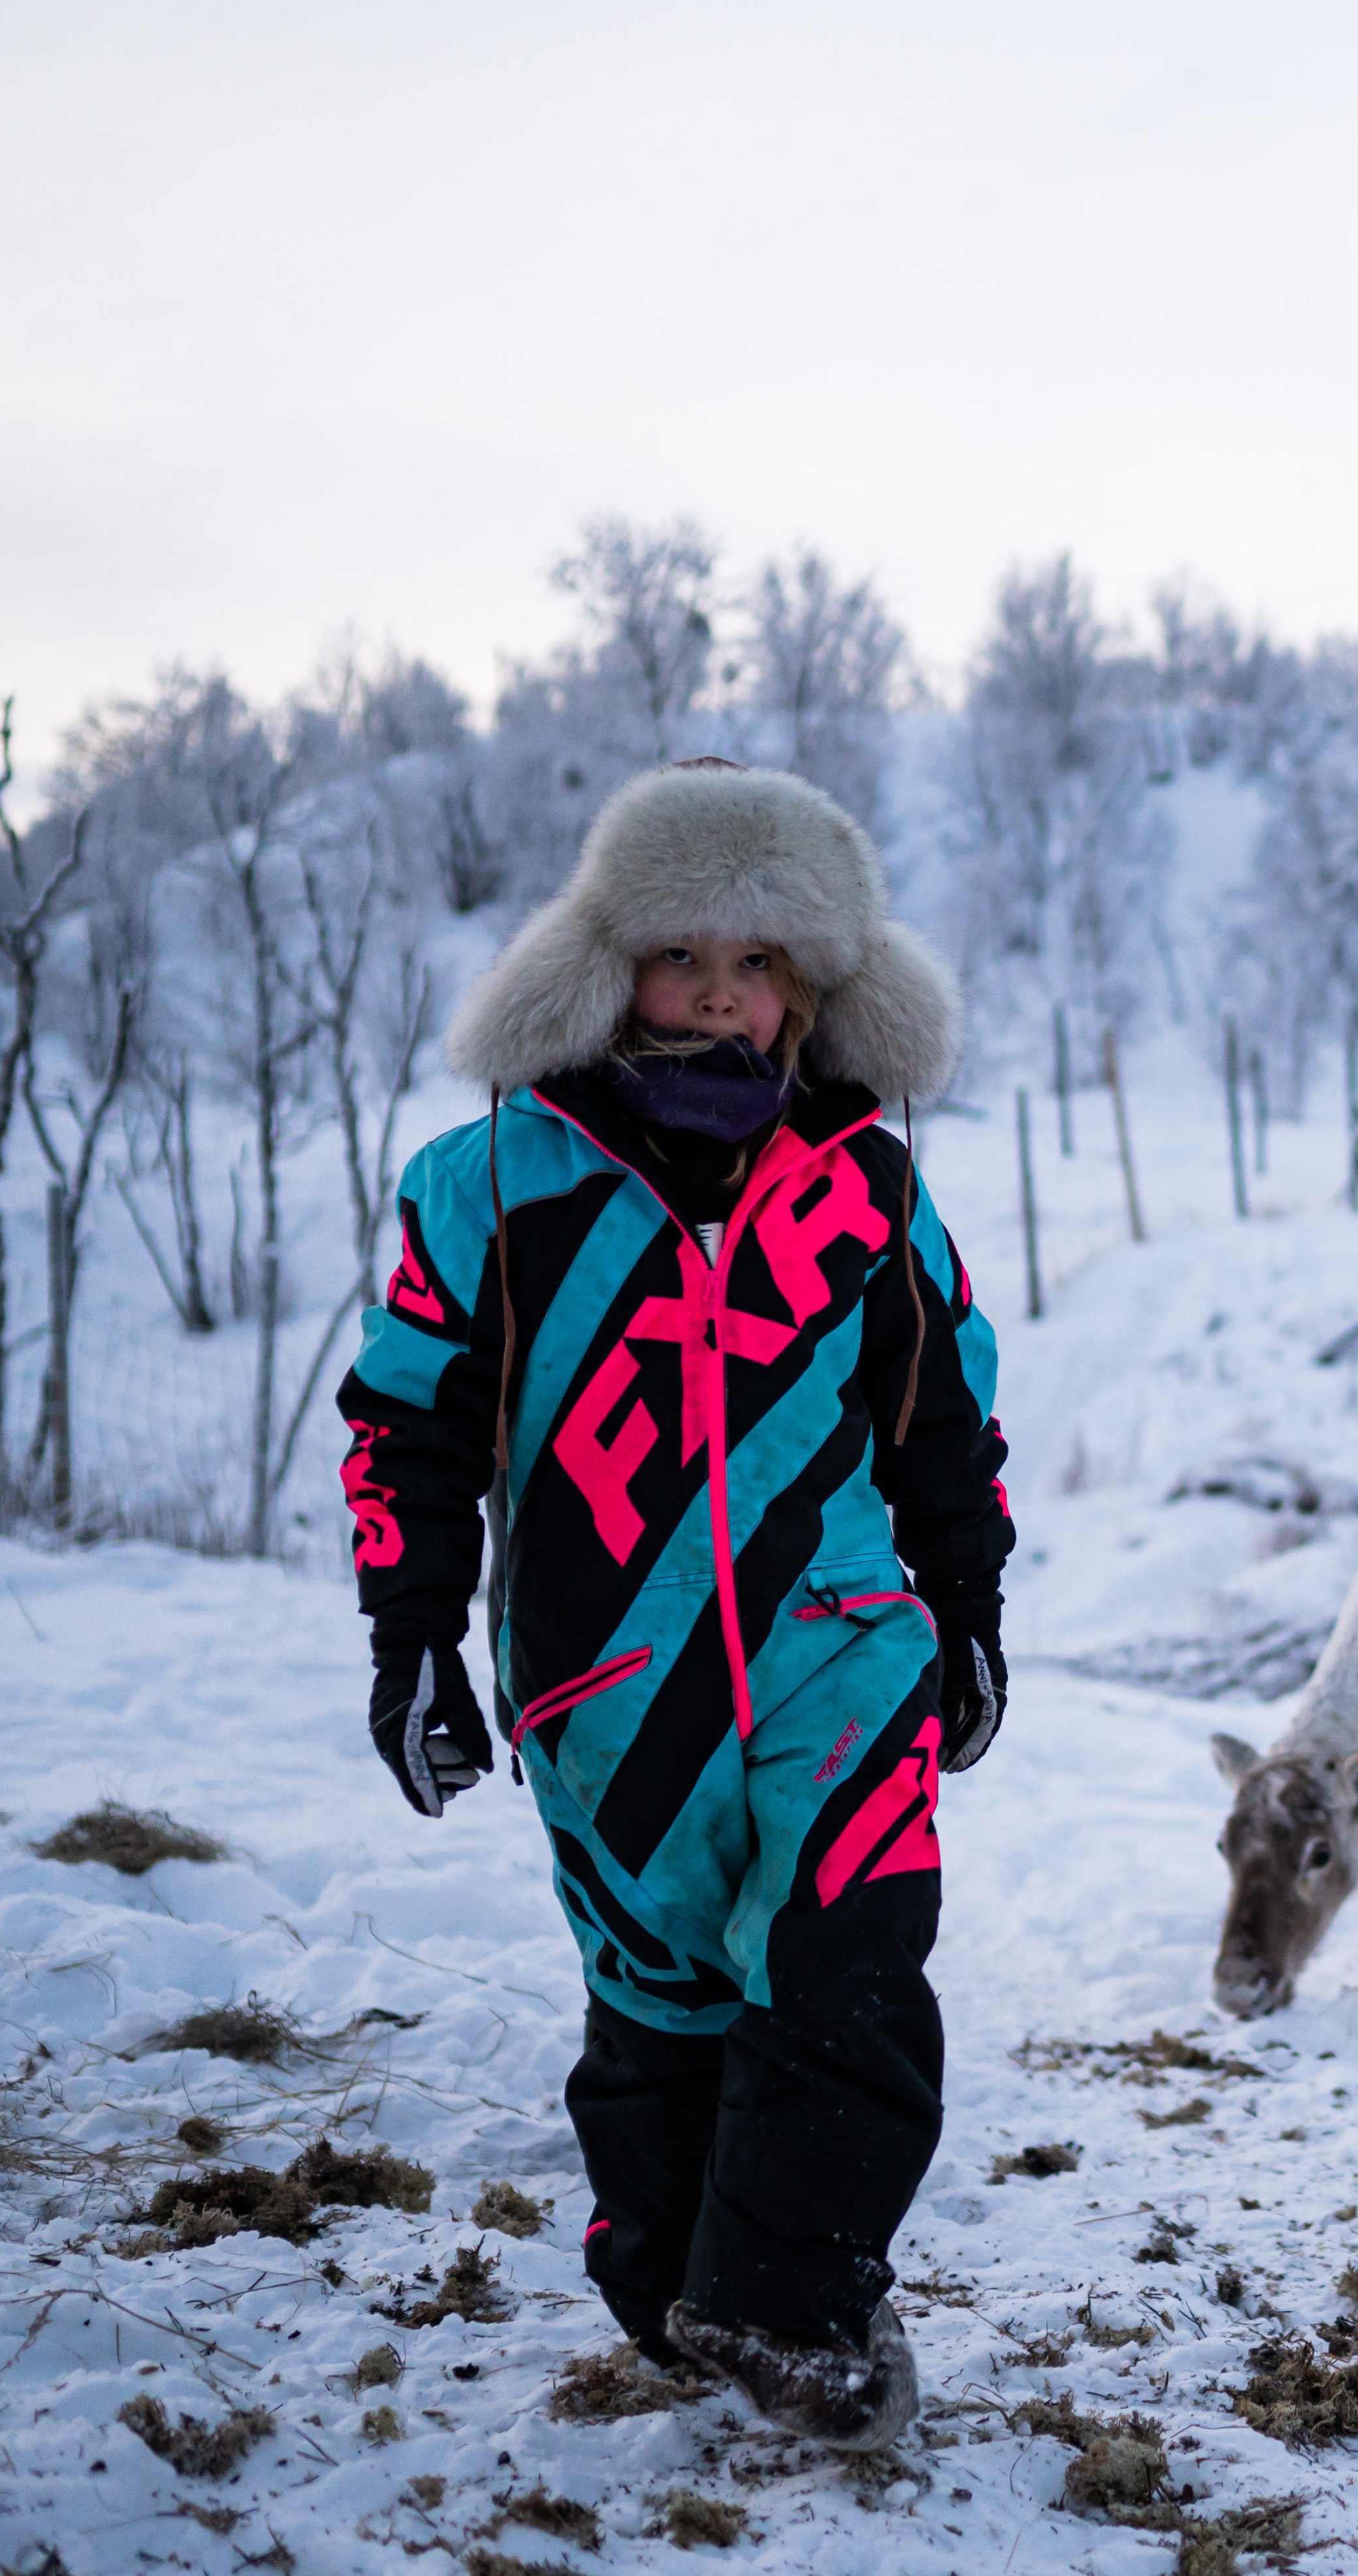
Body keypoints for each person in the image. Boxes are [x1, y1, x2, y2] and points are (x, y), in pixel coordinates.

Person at [336, 760, 1009, 2449]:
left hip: (840, 1640)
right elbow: (407, 1419)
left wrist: (971, 1603)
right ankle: (677, 2293)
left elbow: (942, 1411)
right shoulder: (493, 1181)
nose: (722, 989)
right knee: (666, 1995)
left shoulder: (869, 1183)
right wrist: (411, 1633)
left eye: (765, 959)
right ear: (605, 961)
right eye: (682, 951)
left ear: (816, 988)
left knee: (850, 1960)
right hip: (607, 1674)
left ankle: (793, 2305)